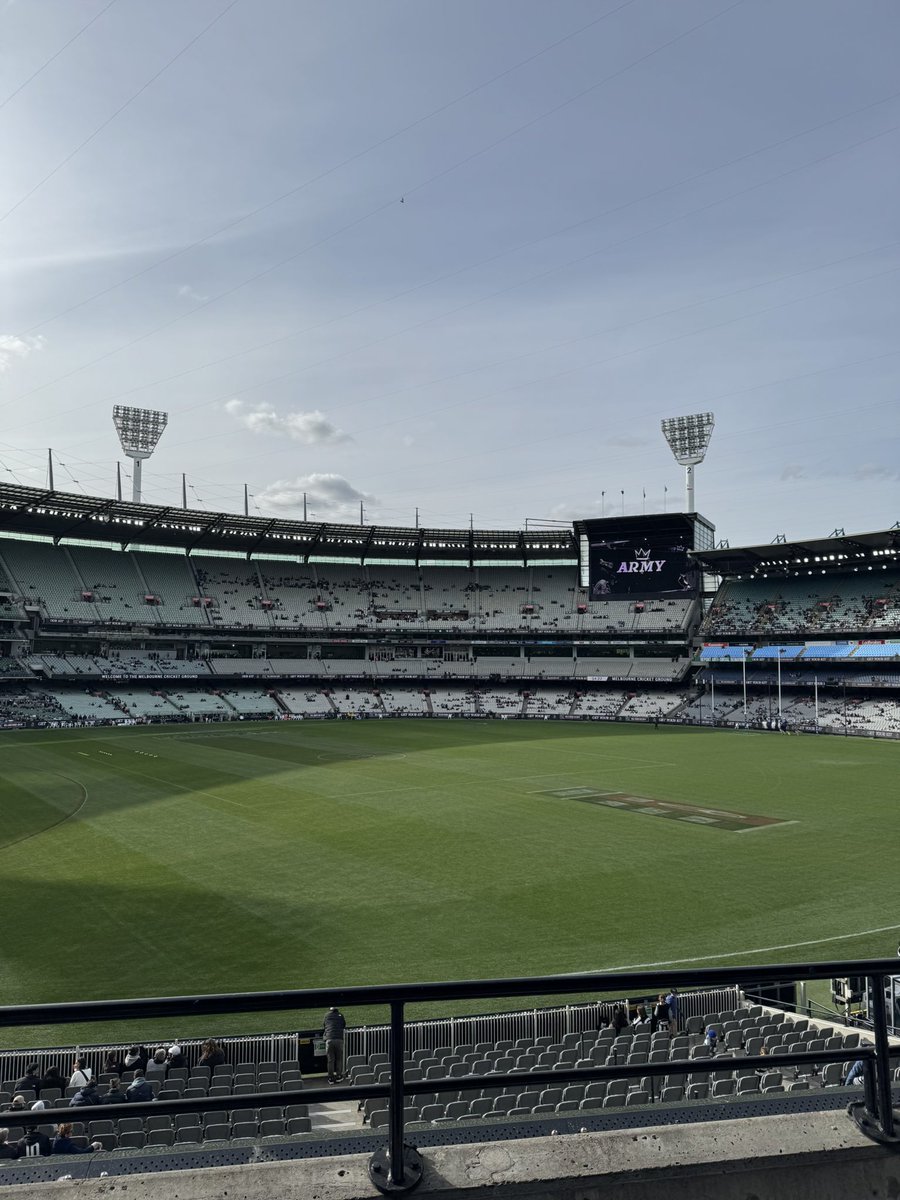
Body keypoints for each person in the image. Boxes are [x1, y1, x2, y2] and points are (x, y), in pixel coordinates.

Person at [323, 1005, 347, 1083]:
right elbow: (343, 1025)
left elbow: (324, 1026)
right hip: (339, 1040)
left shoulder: (327, 1015)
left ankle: (330, 1078)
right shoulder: (340, 1015)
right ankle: (339, 1076)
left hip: (329, 1039)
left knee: (330, 1060)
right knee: (339, 1059)